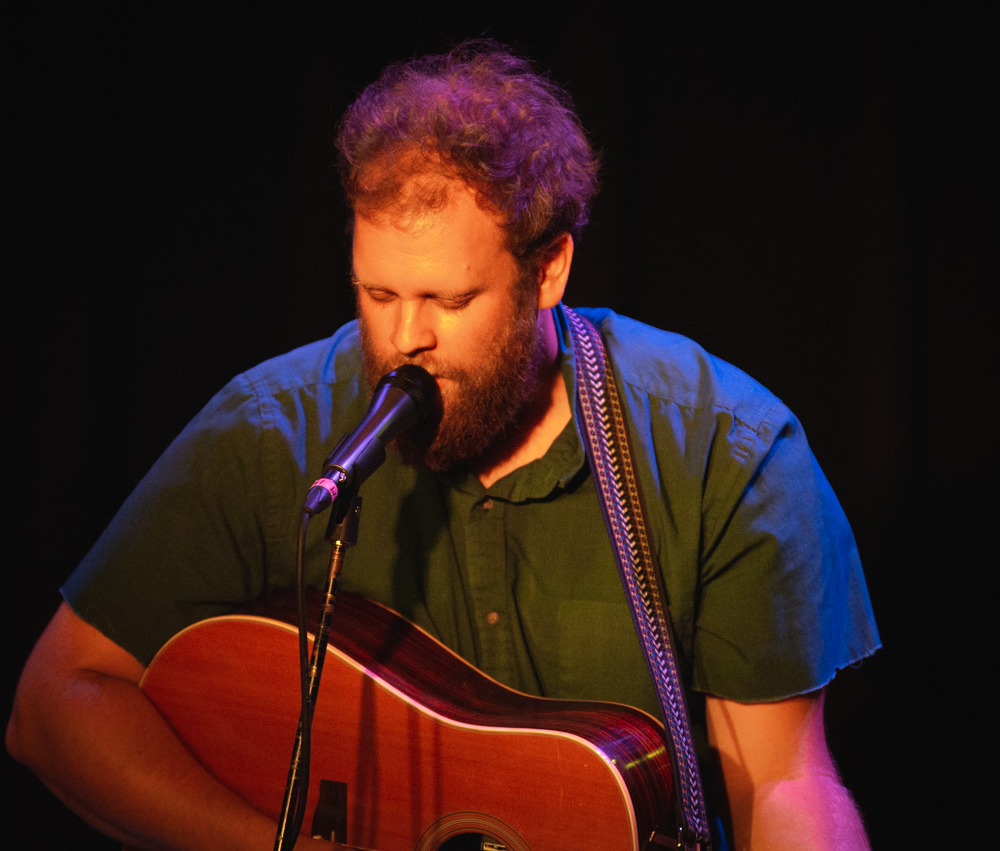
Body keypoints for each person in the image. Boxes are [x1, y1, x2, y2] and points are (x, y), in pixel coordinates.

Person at [7, 41, 879, 850]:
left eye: (449, 301)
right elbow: (56, 704)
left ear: (549, 271)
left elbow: (783, 779)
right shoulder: (272, 428)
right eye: (377, 293)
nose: (405, 338)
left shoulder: (725, 450)